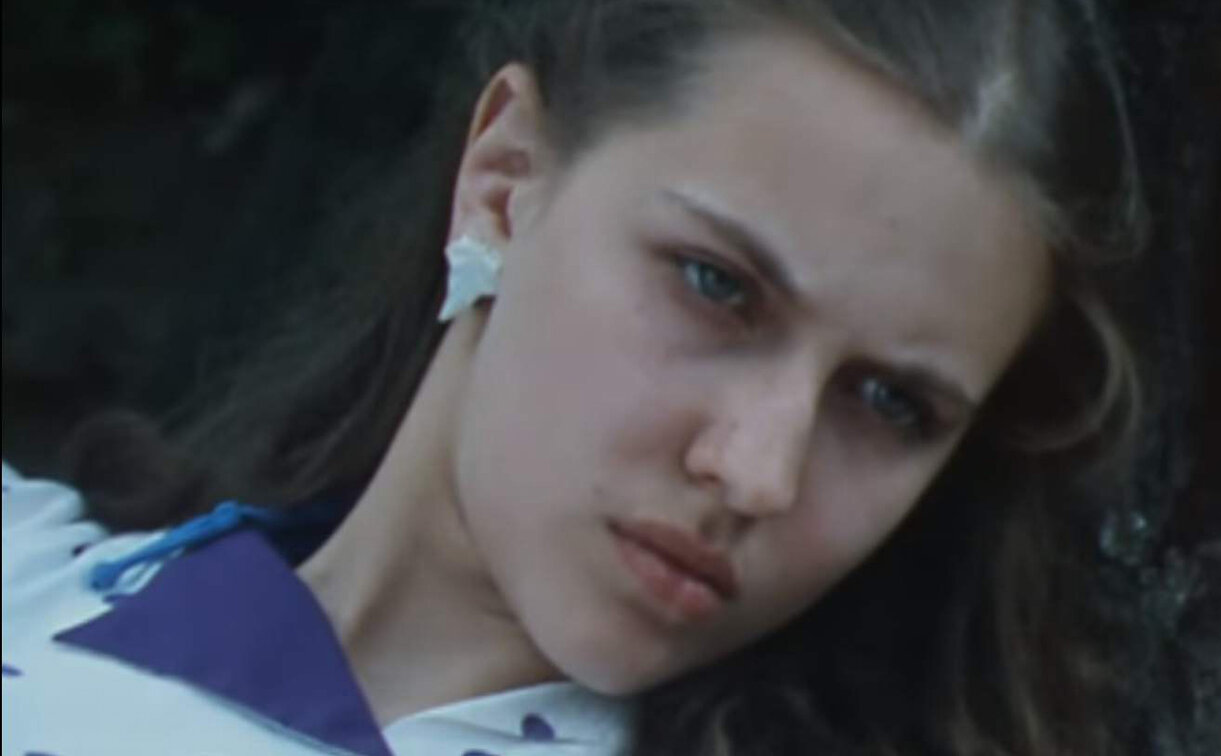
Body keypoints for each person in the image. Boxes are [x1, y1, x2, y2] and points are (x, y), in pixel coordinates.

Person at [1, 0, 1148, 754]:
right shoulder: (31, 564)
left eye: (892, 405)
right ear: (504, 181)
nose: (757, 471)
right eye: (716, 286)